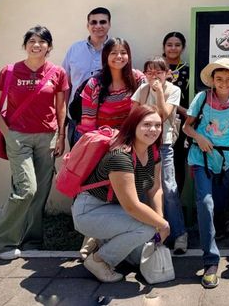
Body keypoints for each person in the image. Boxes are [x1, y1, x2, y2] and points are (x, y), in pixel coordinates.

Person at [0, 26, 69, 260]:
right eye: (32, 40)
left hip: (47, 137)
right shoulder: (10, 71)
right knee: (25, 189)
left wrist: (61, 136)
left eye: (42, 41)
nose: (37, 45)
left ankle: (32, 240)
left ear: (49, 47)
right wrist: (7, 133)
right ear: (25, 45)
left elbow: (61, 107)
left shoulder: (57, 72)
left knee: (40, 192)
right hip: (18, 137)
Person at [71, 105, 168, 283]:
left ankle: (104, 242)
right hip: (90, 211)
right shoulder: (120, 156)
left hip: (114, 210)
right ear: (133, 126)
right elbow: (131, 206)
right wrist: (162, 225)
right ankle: (98, 260)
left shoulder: (152, 151)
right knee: (145, 229)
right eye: (146, 124)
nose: (153, 130)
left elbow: (155, 188)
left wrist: (159, 218)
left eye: (157, 125)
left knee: (139, 257)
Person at [182, 58, 229, 288]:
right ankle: (211, 260)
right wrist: (199, 138)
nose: (223, 83)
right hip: (200, 157)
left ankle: (218, 237)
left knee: (220, 204)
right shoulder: (201, 98)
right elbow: (187, 126)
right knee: (205, 203)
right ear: (212, 80)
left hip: (226, 159)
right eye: (219, 79)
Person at [131, 57, 187, 255]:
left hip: (163, 144)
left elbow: (163, 116)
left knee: (169, 188)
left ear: (167, 74)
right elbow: (133, 116)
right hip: (141, 144)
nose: (154, 76)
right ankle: (149, 232)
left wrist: (160, 93)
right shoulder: (142, 89)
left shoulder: (173, 90)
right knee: (143, 188)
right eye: (150, 72)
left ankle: (179, 233)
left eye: (159, 72)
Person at [77, 38, 145, 141]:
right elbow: (88, 125)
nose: (119, 56)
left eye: (123, 53)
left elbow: (145, 112)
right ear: (105, 56)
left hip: (133, 140)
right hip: (103, 142)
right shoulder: (94, 85)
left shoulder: (138, 79)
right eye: (113, 53)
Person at [62, 7, 111, 146]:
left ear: (109, 25)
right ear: (87, 25)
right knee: (78, 163)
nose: (98, 26)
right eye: (93, 22)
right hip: (77, 117)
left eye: (103, 22)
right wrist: (64, 114)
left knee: (106, 166)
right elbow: (66, 85)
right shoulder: (74, 49)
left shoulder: (116, 50)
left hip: (107, 119)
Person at [162, 31, 190, 194]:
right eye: (169, 44)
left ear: (183, 47)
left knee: (178, 161)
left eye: (177, 45)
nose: (173, 48)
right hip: (159, 119)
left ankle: (175, 201)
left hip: (180, 122)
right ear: (164, 47)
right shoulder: (156, 67)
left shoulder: (187, 70)